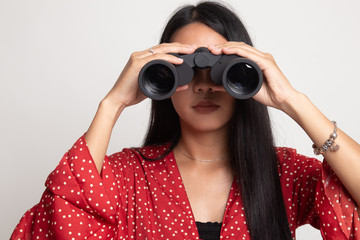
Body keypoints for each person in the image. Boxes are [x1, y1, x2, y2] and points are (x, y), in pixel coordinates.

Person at [10, 1, 360, 240]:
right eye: (185, 69)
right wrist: (112, 103)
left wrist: (293, 102)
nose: (205, 84)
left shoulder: (281, 172)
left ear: (247, 75)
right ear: (162, 80)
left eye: (223, 73)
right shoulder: (125, 175)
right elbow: (54, 225)